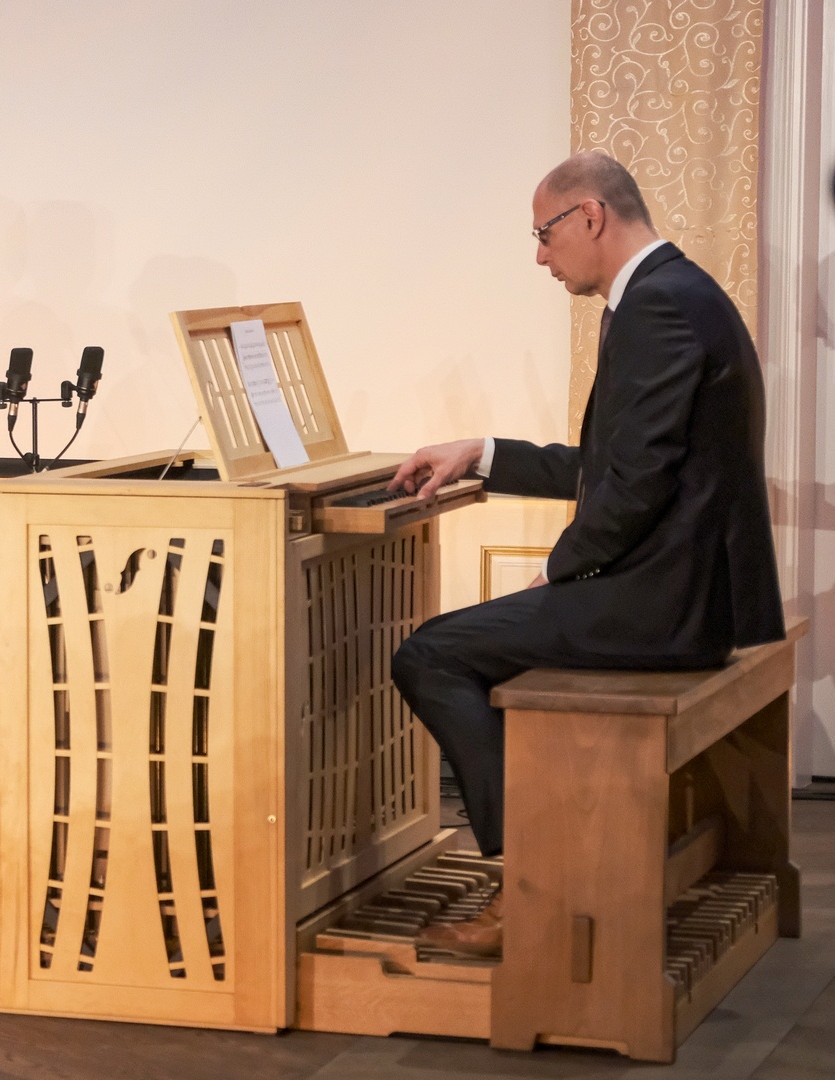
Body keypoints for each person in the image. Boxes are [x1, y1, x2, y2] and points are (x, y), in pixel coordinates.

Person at [387, 152, 783, 955]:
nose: (541, 256)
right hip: (685, 589)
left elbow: (633, 488)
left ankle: (531, 884)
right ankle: (542, 864)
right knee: (467, 639)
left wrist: (559, 572)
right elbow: (611, 466)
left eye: (544, 234)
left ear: (591, 216)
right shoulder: (680, 292)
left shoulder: (657, 307)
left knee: (430, 653)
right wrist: (482, 453)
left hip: (666, 606)